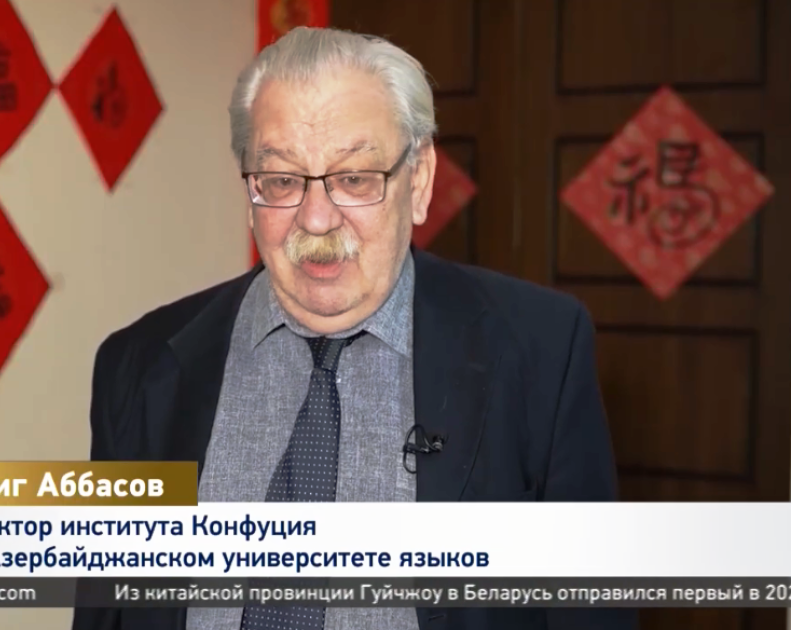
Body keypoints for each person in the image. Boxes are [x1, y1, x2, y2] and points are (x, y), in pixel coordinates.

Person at [73, 27, 636, 630]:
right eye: (282, 181)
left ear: (418, 181)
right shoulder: (139, 367)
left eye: (355, 179)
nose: (316, 218)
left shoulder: (541, 351)